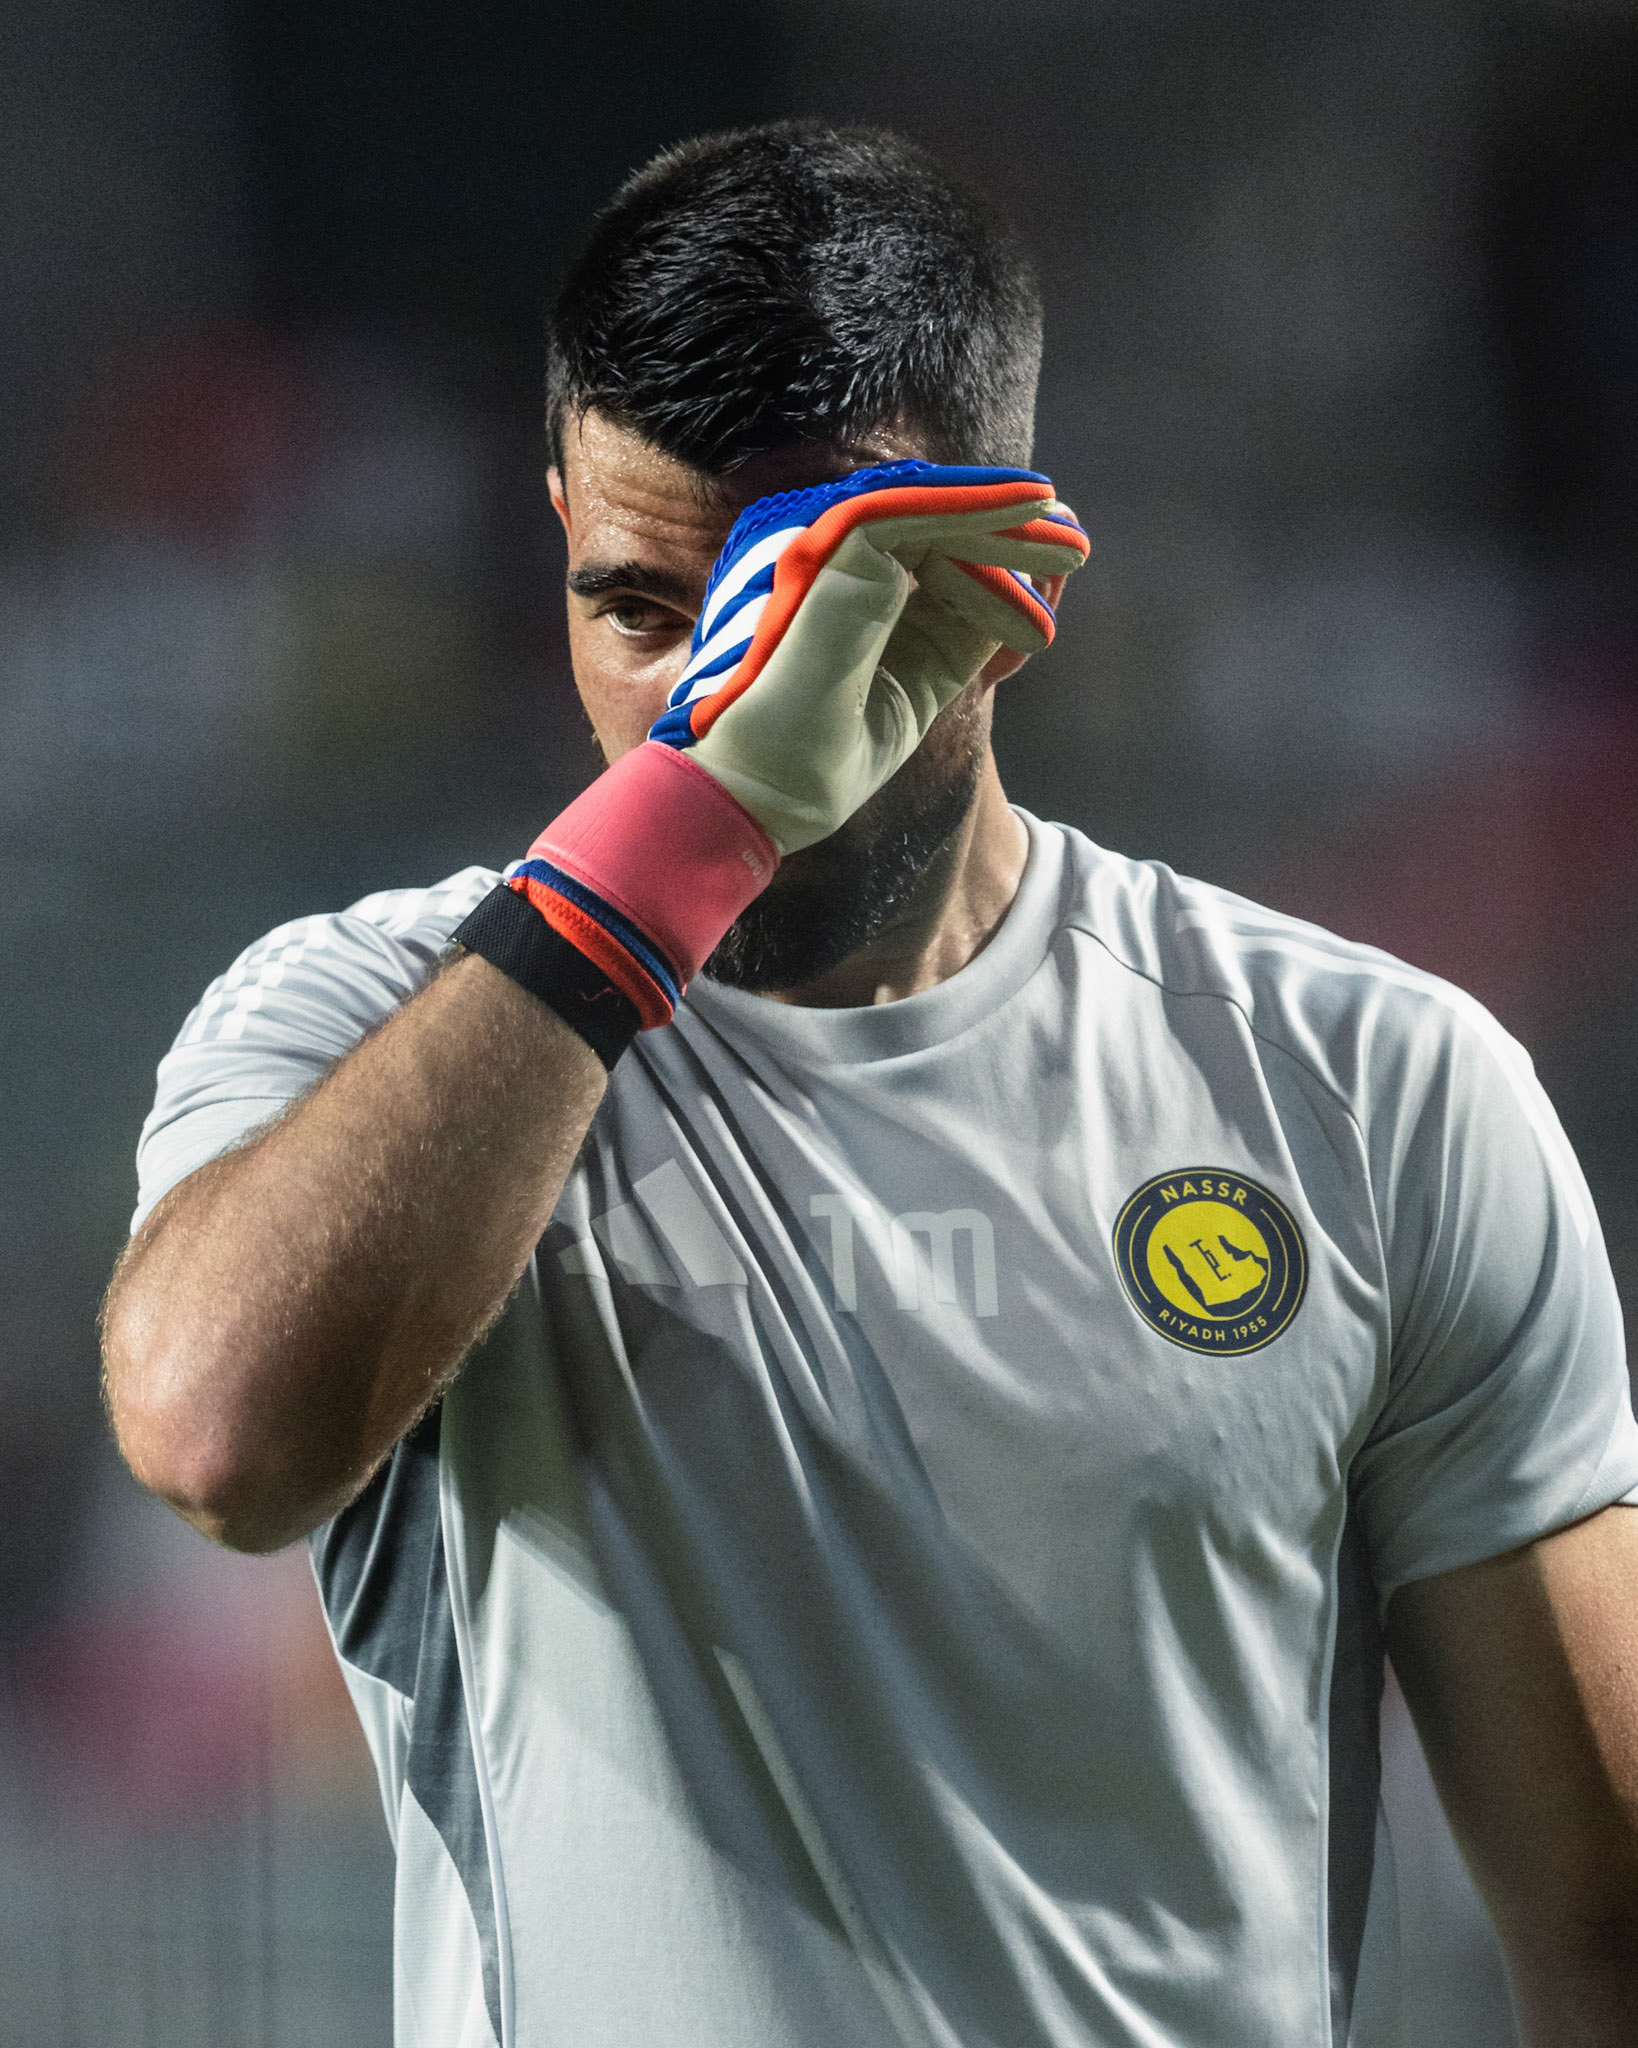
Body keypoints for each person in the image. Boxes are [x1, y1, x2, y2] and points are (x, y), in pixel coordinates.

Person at [102, 122, 1638, 2048]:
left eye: (795, 611)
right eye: (639, 610)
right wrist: (694, 831)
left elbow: (1603, 1923)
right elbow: (217, 1436)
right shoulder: (368, 1025)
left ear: (1001, 565)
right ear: (560, 513)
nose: (710, 703)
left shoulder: (1372, 1087)